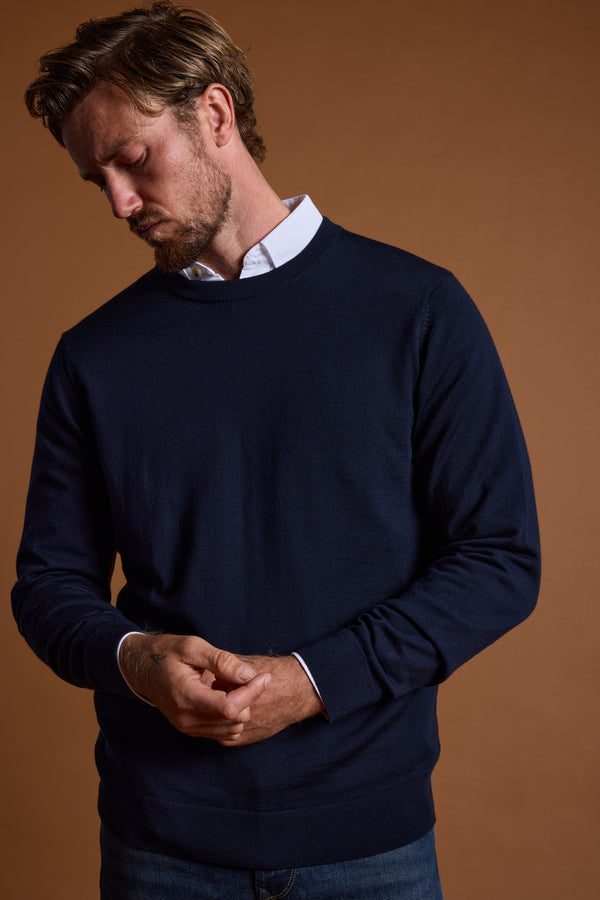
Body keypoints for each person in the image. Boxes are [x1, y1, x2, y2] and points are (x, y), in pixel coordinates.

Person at [14, 2, 540, 897]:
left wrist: (311, 680)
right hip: (158, 848)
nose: (119, 202)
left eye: (133, 159)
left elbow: (499, 560)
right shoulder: (93, 357)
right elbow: (49, 587)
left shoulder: (416, 311)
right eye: (94, 179)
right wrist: (135, 661)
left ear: (214, 115)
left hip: (371, 846)